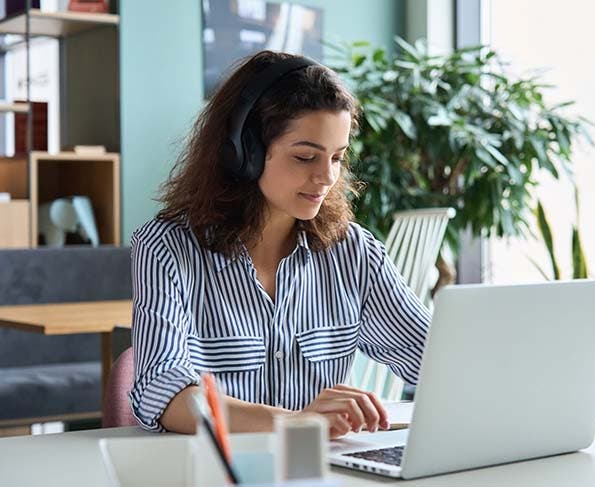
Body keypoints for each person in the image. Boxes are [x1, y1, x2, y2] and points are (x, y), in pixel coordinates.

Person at [129, 51, 430, 438]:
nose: (326, 177)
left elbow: (435, 360)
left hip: (324, 475)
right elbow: (161, 392)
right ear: (245, 153)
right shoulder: (166, 249)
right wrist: (296, 423)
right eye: (305, 157)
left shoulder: (354, 252)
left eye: (336, 157)